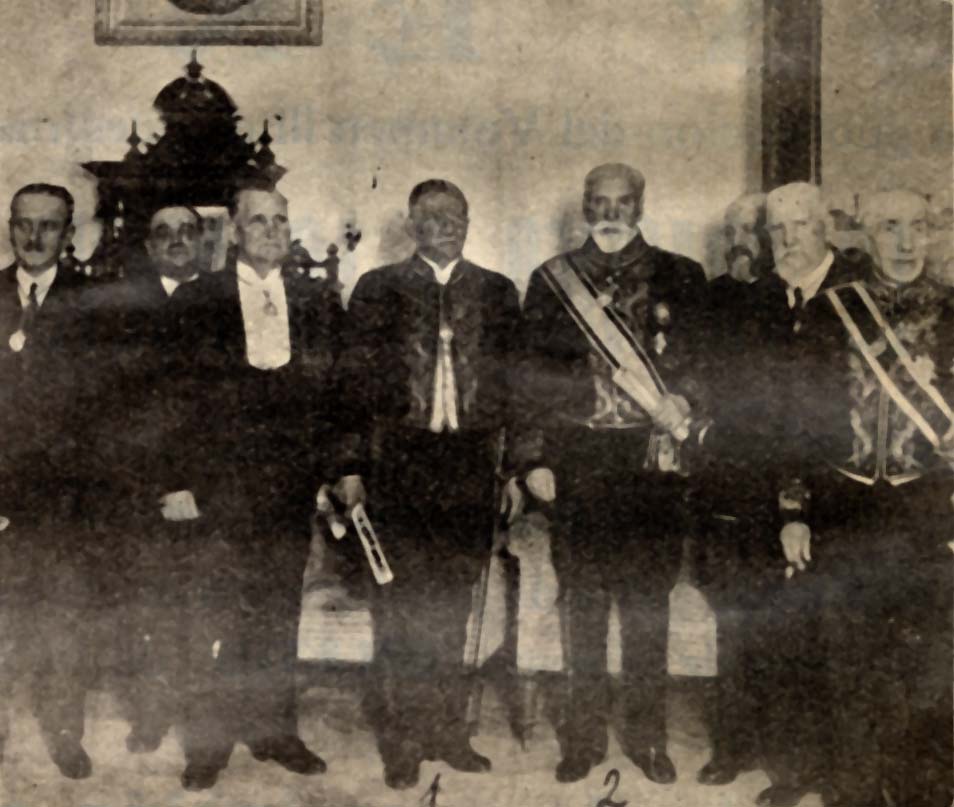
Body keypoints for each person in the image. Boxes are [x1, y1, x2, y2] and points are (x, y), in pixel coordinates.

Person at [513, 162, 709, 786]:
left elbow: (706, 364)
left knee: (648, 603)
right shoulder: (552, 281)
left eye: (623, 203)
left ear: (641, 206)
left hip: (653, 462)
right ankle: (583, 739)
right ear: (584, 207)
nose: (611, 214)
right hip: (580, 461)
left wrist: (686, 398)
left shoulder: (682, 275)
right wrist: (534, 459)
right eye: (599, 202)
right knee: (585, 603)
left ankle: (648, 739)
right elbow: (530, 381)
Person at [333, 178, 520, 790]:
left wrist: (514, 469)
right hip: (398, 465)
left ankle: (447, 731)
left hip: (470, 465)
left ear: (469, 221)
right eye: (432, 215)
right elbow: (350, 388)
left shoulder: (496, 291)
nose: (446, 224)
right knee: (400, 608)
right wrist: (351, 467)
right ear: (412, 225)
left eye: (456, 214)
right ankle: (403, 741)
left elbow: (518, 389)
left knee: (453, 605)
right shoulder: (378, 288)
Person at [166, 185, 342, 790]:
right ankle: (207, 744)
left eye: (280, 220)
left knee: (276, 610)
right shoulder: (198, 300)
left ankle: (274, 731)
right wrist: (177, 482)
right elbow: (170, 400)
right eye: (258, 221)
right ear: (235, 232)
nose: (271, 230)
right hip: (216, 486)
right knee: (213, 613)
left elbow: (336, 395)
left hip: (288, 484)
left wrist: (335, 469)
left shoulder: (316, 301)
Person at [797, 189, 952, 807]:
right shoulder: (831, 311)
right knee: (849, 659)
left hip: (930, 510)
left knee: (930, 664)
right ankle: (855, 790)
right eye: (890, 227)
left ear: (934, 233)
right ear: (866, 235)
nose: (906, 242)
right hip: (846, 506)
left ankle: (921, 789)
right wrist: (794, 510)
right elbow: (801, 422)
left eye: (918, 227)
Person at [82, 204, 205, 754]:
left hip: (212, 485)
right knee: (149, 602)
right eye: (164, 234)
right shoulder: (121, 309)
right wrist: (163, 482)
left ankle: (202, 717)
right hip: (145, 484)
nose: (176, 241)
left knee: (201, 605)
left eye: (187, 232)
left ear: (203, 242)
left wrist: (199, 480)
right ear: (150, 246)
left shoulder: (225, 302)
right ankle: (151, 713)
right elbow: (116, 404)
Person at [0, 184, 95, 778]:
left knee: (64, 622)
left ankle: (64, 733)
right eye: (23, 224)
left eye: (49, 225)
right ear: (9, 227)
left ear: (69, 233)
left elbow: (111, 408)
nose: (34, 237)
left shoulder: (97, 302)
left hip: (67, 499)